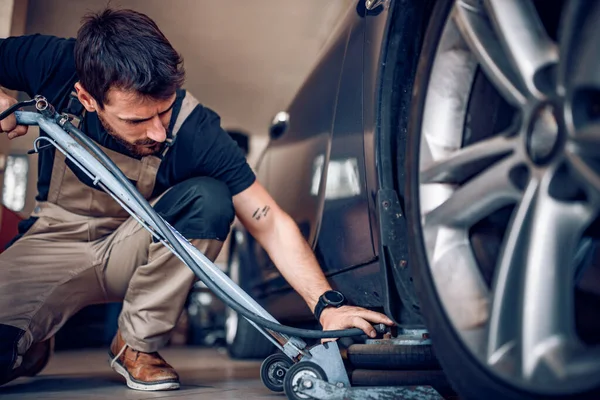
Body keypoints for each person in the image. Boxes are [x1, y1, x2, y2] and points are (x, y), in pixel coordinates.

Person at [0, 8, 394, 391]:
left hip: (138, 242)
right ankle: (31, 341)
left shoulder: (196, 128)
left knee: (210, 197)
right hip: (54, 239)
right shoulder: (51, 63)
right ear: (87, 98)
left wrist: (327, 305)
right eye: (136, 120)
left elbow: (268, 219)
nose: (157, 132)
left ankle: (136, 345)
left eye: (163, 112)